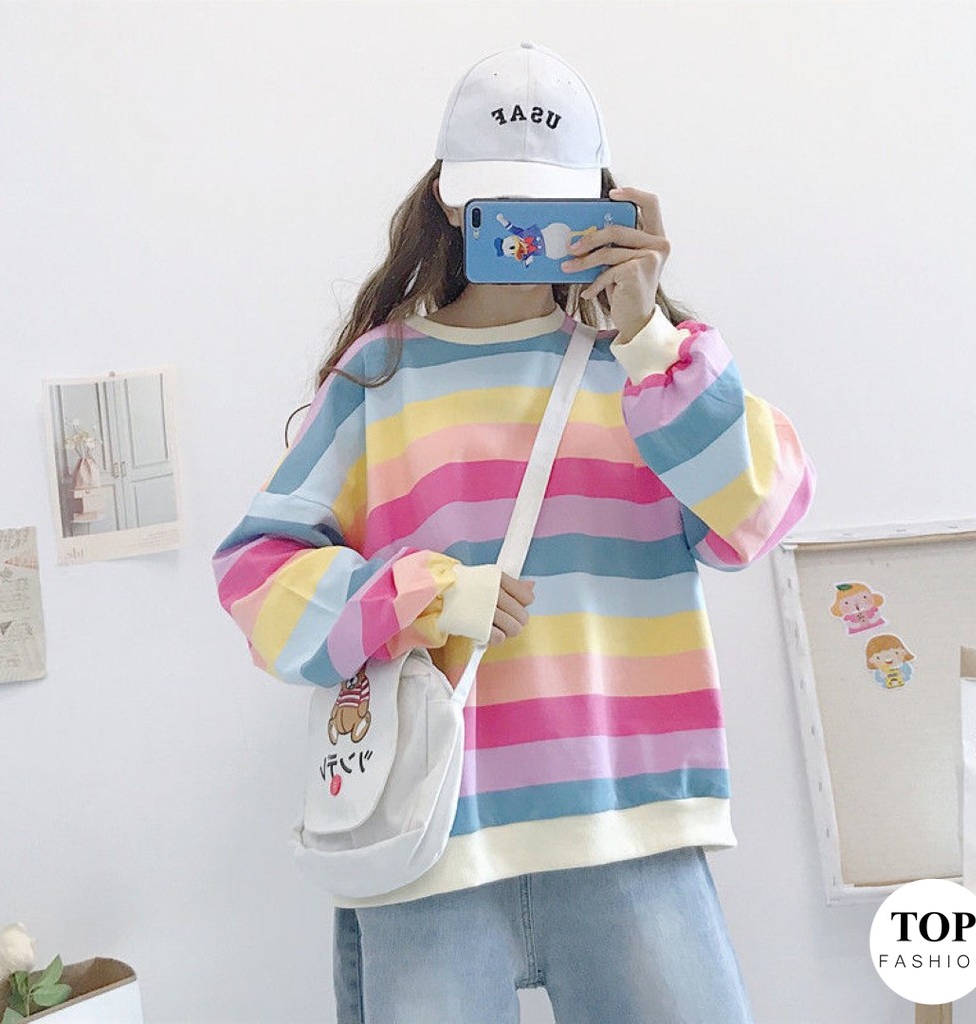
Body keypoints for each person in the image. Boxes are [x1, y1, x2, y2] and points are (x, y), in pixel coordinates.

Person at [211, 40, 816, 1024]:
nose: (528, 232)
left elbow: (760, 514)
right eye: (502, 205)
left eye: (555, 206)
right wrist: (420, 596)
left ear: (605, 206)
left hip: (629, 824)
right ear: (451, 201)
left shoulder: (649, 367)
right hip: (432, 838)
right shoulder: (380, 376)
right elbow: (253, 574)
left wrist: (649, 335)